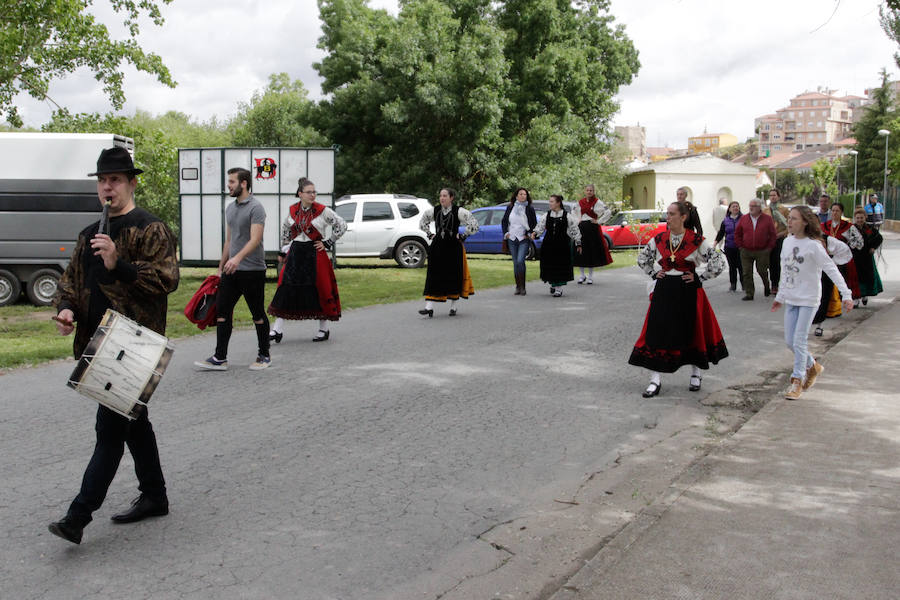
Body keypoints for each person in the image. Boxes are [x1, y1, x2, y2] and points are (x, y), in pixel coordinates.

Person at [48, 147, 180, 545]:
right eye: (103, 180)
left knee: (109, 430)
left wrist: (117, 262)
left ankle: (78, 517)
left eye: (117, 180)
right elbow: (71, 281)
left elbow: (166, 280)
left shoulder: (150, 228)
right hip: (97, 345)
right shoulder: (90, 233)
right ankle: (155, 495)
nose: (108, 186)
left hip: (133, 345)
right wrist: (67, 309)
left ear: (132, 183)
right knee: (133, 423)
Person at [628, 200, 728, 397]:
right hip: (665, 289)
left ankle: (696, 373)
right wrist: (653, 273)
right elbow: (642, 259)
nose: (668, 217)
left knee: (692, 330)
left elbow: (718, 261)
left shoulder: (696, 240)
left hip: (688, 289)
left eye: (672, 214)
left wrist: (701, 278)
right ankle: (655, 380)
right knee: (657, 331)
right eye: (668, 213)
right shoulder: (659, 239)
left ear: (683, 217)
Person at [772, 206, 853, 400]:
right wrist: (780, 297)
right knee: (790, 342)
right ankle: (813, 366)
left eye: (794, 219)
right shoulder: (786, 242)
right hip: (792, 298)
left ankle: (797, 381)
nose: (789, 222)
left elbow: (831, 269)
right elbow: (786, 272)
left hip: (808, 299)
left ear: (805, 222)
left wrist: (847, 294)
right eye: (789, 218)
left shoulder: (814, 245)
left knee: (799, 341)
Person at [195, 168, 271, 371]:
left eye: (231, 182)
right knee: (222, 311)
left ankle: (264, 355)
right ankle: (220, 358)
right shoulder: (230, 208)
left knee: (257, 313)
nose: (228, 185)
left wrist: (237, 258)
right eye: (228, 182)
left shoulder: (256, 208)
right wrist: (221, 267)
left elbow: (255, 239)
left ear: (244, 183)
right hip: (231, 270)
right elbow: (229, 241)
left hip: (252, 270)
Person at [267, 177, 347, 341]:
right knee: (286, 288)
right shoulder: (292, 210)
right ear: (300, 193)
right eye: (309, 192)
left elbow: (342, 224)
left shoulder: (323, 210)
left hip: (315, 253)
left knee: (320, 288)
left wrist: (328, 242)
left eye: (314, 192)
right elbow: (286, 230)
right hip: (296, 254)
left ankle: (323, 329)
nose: (313, 195)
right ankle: (277, 330)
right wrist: (285, 248)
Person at [419, 188, 480, 316]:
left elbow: (474, 224)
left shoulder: (459, 211)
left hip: (453, 248)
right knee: (433, 275)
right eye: (441, 195)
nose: (442, 198)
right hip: (437, 247)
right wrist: (430, 235)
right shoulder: (434, 211)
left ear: (451, 197)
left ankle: (454, 307)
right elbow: (423, 222)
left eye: (445, 196)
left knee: (453, 275)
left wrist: (463, 236)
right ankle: (429, 306)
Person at [531, 194, 582, 296]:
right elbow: (540, 226)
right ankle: (553, 284)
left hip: (562, 245)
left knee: (560, 265)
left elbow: (574, 229)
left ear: (558, 203)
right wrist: (535, 233)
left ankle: (559, 288)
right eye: (549, 201)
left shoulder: (566, 216)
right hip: (549, 244)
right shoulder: (547, 215)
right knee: (550, 264)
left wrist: (578, 242)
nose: (550, 204)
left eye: (552, 202)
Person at [734, 198, 776, 301]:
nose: (751, 208)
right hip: (746, 250)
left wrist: (769, 247)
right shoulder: (744, 218)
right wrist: (740, 246)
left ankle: (766, 286)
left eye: (753, 206)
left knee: (762, 270)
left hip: (762, 250)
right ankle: (749, 293)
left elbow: (773, 234)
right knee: (746, 272)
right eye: (750, 206)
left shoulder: (767, 219)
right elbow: (738, 233)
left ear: (759, 207)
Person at [572, 184, 613, 284]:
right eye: (587, 190)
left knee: (591, 252)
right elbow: (573, 212)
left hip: (592, 229)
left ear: (593, 191)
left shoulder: (597, 202)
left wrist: (599, 221)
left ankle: (590, 276)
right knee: (580, 251)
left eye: (591, 190)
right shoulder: (580, 202)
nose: (589, 192)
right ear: (585, 191)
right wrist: (577, 221)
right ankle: (582, 275)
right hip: (581, 229)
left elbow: (608, 212)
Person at [821, 202, 863, 299]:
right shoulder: (824, 226)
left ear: (841, 212)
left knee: (845, 279)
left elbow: (859, 242)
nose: (835, 213)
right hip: (828, 258)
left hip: (843, 259)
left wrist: (848, 246)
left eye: (837, 211)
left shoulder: (848, 226)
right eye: (833, 211)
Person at [501, 187, 538, 295]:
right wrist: (506, 233)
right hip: (512, 238)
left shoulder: (529, 208)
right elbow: (504, 221)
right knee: (515, 263)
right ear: (516, 196)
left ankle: (523, 287)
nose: (523, 196)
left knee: (520, 261)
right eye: (521, 194)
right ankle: (518, 286)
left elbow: (533, 223)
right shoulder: (510, 207)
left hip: (523, 239)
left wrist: (529, 233)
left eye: (525, 194)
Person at [851, 207, 884, 306]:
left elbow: (879, 238)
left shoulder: (869, 229)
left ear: (865, 217)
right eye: (857, 218)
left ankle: (865, 295)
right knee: (855, 278)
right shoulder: (851, 229)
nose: (859, 220)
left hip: (867, 258)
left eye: (861, 217)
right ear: (855, 218)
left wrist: (873, 247)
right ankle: (856, 298)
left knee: (866, 277)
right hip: (855, 258)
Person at [763, 188, 790, 294]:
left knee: (776, 262)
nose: (772, 197)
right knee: (768, 262)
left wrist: (781, 234)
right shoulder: (765, 210)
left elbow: (788, 225)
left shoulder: (784, 210)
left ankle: (775, 284)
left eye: (774, 195)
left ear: (778, 196)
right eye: (770, 195)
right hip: (768, 239)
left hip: (779, 238)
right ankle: (769, 283)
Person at [714, 200, 743, 292]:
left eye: (737, 206)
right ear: (729, 209)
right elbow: (721, 233)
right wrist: (715, 243)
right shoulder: (726, 220)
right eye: (733, 206)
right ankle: (733, 284)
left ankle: (744, 284)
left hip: (741, 247)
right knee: (732, 266)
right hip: (729, 246)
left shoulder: (744, 219)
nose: (735, 208)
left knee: (741, 266)